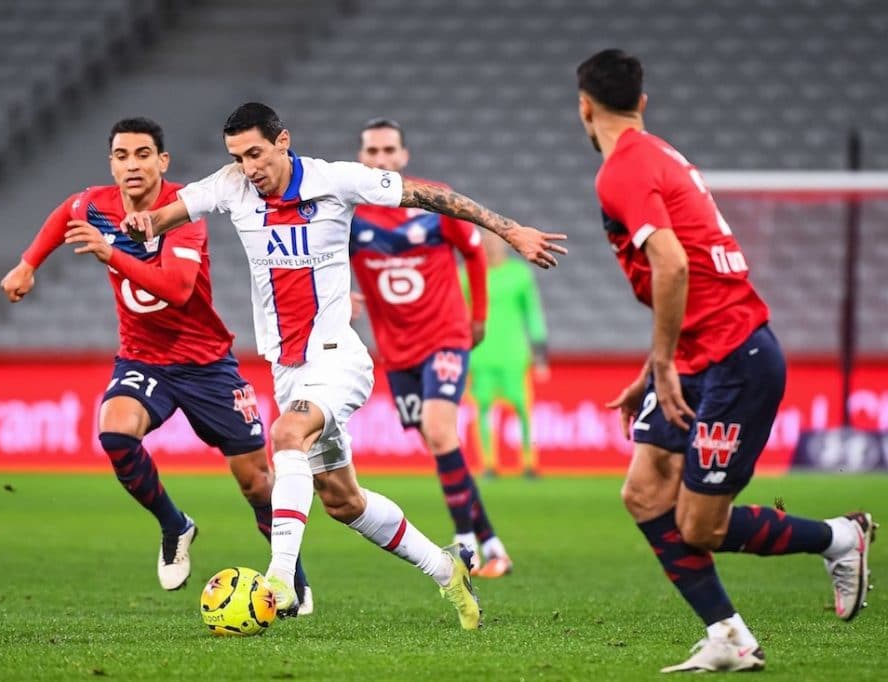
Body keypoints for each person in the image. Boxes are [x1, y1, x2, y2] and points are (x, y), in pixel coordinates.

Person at [120, 103, 568, 629]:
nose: (248, 167)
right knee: (342, 500)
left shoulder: (337, 181)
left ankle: (280, 580)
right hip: (286, 367)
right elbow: (170, 212)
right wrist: (145, 221)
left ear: (283, 141)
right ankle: (446, 570)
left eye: (257, 153)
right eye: (238, 157)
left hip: (337, 356)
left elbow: (432, 197)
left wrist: (509, 230)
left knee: (287, 435)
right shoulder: (231, 185)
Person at [577, 49, 875, 672]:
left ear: (584, 106)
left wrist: (661, 364)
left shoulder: (621, 171)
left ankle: (842, 539)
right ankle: (731, 637)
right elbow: (690, 275)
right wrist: (654, 367)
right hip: (699, 355)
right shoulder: (659, 154)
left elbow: (674, 264)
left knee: (700, 528)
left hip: (737, 359)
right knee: (642, 492)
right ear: (642, 103)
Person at [0, 117, 313, 612]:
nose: (132, 165)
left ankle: (294, 580)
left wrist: (110, 254)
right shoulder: (94, 204)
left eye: (143, 154)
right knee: (115, 431)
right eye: (121, 156)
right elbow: (65, 214)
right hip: (144, 358)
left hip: (208, 364)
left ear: (162, 161)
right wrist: (27, 263)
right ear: (111, 163)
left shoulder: (182, 210)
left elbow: (176, 288)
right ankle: (175, 525)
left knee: (256, 481)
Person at [348, 118, 512, 578]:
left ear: (403, 157)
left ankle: (465, 548)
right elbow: (323, 262)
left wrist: (478, 316)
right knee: (443, 447)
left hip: (445, 335)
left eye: (388, 151)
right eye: (372, 151)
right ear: (362, 158)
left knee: (440, 432)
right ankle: (494, 542)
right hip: (397, 353)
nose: (381, 159)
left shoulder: (432, 200)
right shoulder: (351, 213)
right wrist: (341, 292)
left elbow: (476, 252)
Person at [461, 230, 549, 479]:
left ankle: (529, 463)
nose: (490, 248)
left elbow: (532, 313)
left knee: (522, 408)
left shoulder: (519, 275)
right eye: (486, 243)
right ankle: (488, 464)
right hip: (480, 355)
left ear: (505, 246)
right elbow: (455, 310)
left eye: (495, 243)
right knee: (483, 409)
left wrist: (540, 349)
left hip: (514, 354)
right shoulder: (468, 274)